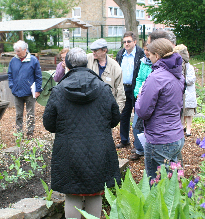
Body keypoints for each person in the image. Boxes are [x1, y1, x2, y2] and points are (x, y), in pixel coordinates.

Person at [43, 48, 121, 219]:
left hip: (69, 149)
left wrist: (65, 128)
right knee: (96, 189)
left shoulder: (58, 90)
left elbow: (48, 124)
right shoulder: (103, 88)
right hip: (99, 147)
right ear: (86, 63)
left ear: (68, 65)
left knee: (72, 191)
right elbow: (115, 118)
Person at [135, 38, 185, 181]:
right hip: (176, 136)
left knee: (156, 186)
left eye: (149, 55)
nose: (148, 58)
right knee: (172, 184)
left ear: (157, 56)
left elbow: (143, 112)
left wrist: (139, 98)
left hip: (160, 139)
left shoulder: (156, 77)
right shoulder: (177, 74)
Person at [8, 40, 42, 137]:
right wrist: (12, 86)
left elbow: (38, 76)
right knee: (18, 114)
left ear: (25, 50)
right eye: (15, 51)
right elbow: (10, 74)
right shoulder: (13, 60)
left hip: (30, 92)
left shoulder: (33, 60)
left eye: (18, 51)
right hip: (17, 92)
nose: (16, 53)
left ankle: (30, 133)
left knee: (30, 114)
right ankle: (19, 133)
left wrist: (38, 90)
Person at [115, 31, 144, 148]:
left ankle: (138, 145)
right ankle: (124, 140)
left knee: (138, 117)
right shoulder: (121, 54)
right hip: (124, 88)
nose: (126, 44)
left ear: (135, 42)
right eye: (124, 42)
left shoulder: (141, 54)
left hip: (136, 88)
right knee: (124, 115)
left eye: (128, 41)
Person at [87, 38, 125, 112]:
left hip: (106, 107)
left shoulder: (115, 67)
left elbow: (120, 92)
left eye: (96, 51)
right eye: (93, 51)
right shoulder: (88, 59)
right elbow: (73, 63)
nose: (93, 53)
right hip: (90, 106)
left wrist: (117, 112)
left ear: (104, 51)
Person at [130, 44, 152, 160]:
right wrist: (136, 92)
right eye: (144, 50)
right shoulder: (143, 62)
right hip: (140, 97)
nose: (146, 52)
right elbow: (139, 79)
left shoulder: (156, 64)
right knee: (135, 126)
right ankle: (139, 149)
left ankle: (149, 150)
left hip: (150, 99)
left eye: (148, 50)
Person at [174, 44, 197, 136]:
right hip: (181, 93)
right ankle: (182, 126)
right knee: (182, 110)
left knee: (188, 112)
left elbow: (191, 79)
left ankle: (188, 128)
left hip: (188, 92)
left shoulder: (189, 67)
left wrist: (182, 80)